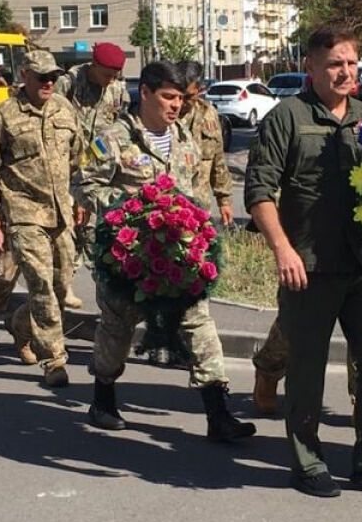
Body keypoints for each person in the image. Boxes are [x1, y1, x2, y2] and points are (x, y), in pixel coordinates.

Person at [245, 25, 362, 499]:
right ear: (312, 68)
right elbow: (259, 192)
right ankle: (307, 461)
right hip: (309, 266)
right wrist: (282, 249)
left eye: (350, 63)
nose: (345, 72)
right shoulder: (287, 117)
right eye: (334, 64)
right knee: (307, 369)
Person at [74, 59, 255, 443]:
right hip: (127, 257)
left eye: (179, 99)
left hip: (176, 257)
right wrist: (130, 207)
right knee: (117, 331)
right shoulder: (113, 138)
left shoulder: (183, 140)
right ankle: (103, 397)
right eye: (167, 97)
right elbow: (83, 186)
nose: (175, 106)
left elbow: (191, 192)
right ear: (145, 93)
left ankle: (218, 413)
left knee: (199, 326)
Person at [0, 50, 80, 385]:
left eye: (53, 77)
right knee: (40, 284)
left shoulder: (65, 109)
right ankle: (54, 361)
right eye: (42, 77)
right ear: (24, 75)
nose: (49, 82)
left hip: (61, 211)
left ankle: (19, 325)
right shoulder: (3, 116)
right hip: (23, 212)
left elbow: (79, 156)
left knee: (62, 288)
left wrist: (81, 196)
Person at [56, 41, 130, 308]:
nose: (111, 80)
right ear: (94, 65)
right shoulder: (69, 84)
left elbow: (121, 126)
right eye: (107, 74)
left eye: (116, 75)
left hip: (99, 169)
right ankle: (63, 285)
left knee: (93, 232)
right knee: (66, 230)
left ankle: (103, 296)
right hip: (65, 166)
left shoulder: (117, 90)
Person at [175, 60, 233, 226]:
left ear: (199, 90)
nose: (182, 102)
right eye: (179, 95)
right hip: (171, 210)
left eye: (188, 97)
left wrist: (224, 200)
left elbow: (218, 159)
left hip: (200, 207)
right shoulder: (166, 116)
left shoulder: (209, 114)